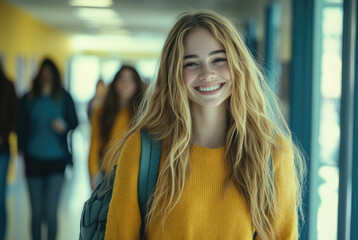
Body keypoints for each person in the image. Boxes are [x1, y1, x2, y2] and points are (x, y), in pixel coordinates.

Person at [104, 10, 305, 240]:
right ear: (174, 74)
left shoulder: (272, 154)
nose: (207, 74)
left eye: (218, 59)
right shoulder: (143, 149)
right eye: (191, 64)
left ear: (238, 64)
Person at [18, 58, 78, 240]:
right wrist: (21, 149)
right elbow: (20, 126)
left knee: (51, 212)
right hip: (33, 158)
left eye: (49, 74)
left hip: (57, 160)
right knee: (36, 213)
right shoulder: (29, 98)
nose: (46, 77)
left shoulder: (64, 97)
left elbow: (74, 122)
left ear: (55, 76)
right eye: (43, 74)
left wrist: (64, 127)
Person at [88, 65, 145, 190]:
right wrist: (93, 172)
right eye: (122, 79)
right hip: (106, 173)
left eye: (130, 80)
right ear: (115, 83)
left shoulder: (144, 114)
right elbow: (95, 142)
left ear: (136, 84)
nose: (126, 83)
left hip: (135, 175)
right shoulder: (101, 111)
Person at [0, 61, 18, 240]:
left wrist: (3, 135)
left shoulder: (7, 86)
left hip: (2, 149)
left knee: (0, 195)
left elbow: (15, 117)